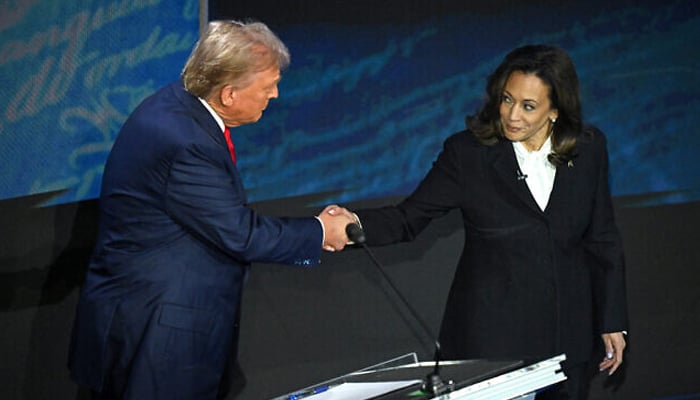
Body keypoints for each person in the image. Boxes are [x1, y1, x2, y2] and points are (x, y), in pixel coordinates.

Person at [68, 20, 354, 399]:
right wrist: (320, 232)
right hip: (159, 336)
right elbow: (240, 233)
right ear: (229, 93)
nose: (276, 95)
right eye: (268, 86)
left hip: (153, 320)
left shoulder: (178, 105)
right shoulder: (186, 142)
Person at [332, 44, 628, 399]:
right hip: (492, 343)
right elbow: (409, 218)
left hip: (567, 339)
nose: (512, 115)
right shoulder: (468, 154)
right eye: (507, 100)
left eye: (528, 106)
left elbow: (602, 237)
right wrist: (350, 226)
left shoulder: (588, 148)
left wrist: (612, 319)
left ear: (555, 110)